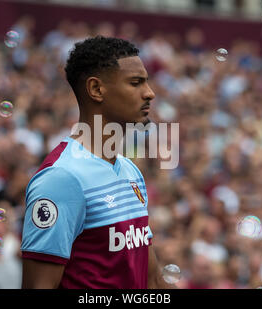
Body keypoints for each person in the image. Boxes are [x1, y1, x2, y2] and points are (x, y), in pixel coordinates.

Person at [21, 36, 171, 289]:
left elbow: (153, 281)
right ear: (96, 89)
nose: (150, 93)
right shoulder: (62, 178)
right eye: (136, 83)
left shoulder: (130, 171)